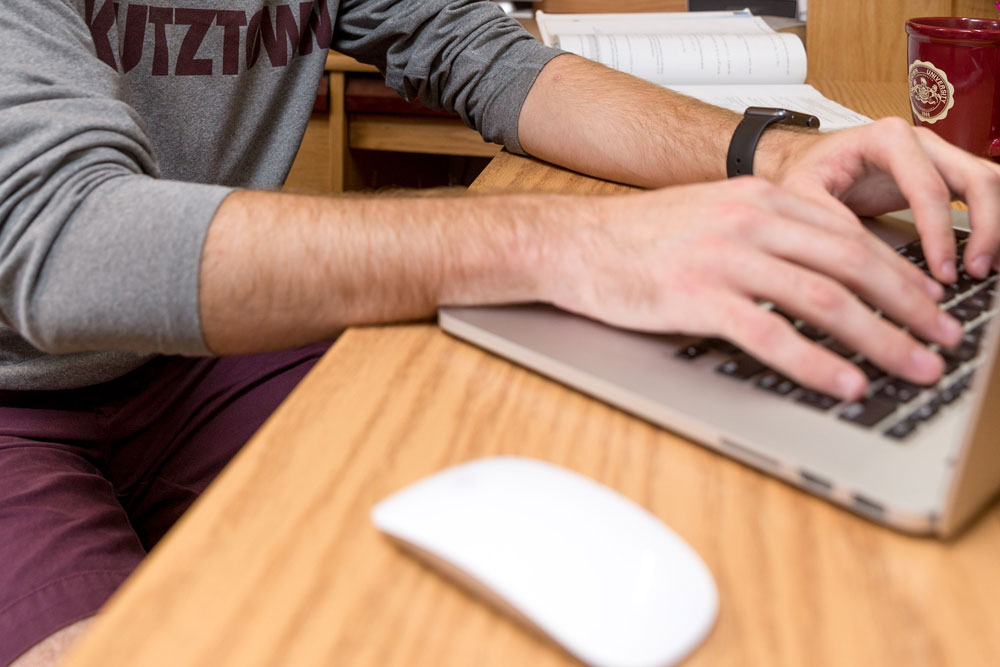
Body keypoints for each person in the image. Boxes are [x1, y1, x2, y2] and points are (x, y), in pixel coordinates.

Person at [1, 1, 997, 665]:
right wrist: (568, 241)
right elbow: (68, 243)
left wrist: (773, 157)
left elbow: (487, 60)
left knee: (555, 448)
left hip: (193, 355)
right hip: (19, 384)